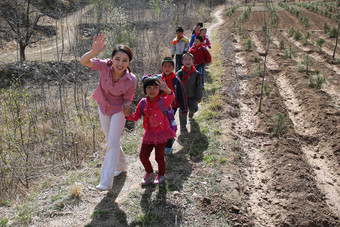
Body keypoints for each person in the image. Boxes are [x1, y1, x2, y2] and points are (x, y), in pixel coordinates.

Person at [80, 34, 137, 191]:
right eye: (117, 59)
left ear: (129, 63)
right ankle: (122, 165)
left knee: (112, 142)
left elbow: (128, 98)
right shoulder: (104, 66)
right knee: (111, 140)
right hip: (103, 107)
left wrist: (127, 106)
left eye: (125, 60)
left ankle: (106, 181)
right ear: (112, 59)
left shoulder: (131, 79)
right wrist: (93, 51)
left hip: (118, 110)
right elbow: (83, 61)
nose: (120, 63)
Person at [123, 76, 175, 185]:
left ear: (159, 89)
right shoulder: (142, 103)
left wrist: (167, 90)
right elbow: (136, 116)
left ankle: (161, 175)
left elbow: (171, 97)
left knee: (159, 157)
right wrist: (127, 115)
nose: (152, 90)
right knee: (143, 156)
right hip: (149, 134)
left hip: (161, 134)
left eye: (155, 87)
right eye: (149, 87)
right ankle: (149, 172)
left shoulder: (162, 101)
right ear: (145, 89)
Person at [159, 57, 187, 154]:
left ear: (173, 67)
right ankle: (163, 142)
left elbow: (181, 94)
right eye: (165, 66)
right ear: (162, 67)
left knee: (168, 124)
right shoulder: (159, 79)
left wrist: (184, 108)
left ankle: (168, 146)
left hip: (173, 107)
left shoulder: (176, 80)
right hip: (161, 107)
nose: (167, 68)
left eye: (169, 66)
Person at [176, 52, 202, 133]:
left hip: (193, 96)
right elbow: (176, 86)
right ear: (182, 61)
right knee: (183, 111)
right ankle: (183, 127)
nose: (187, 61)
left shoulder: (196, 73)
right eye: (185, 59)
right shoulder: (179, 73)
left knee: (194, 108)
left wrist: (199, 97)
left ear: (193, 61)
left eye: (189, 59)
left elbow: (199, 86)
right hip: (182, 97)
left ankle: (192, 112)